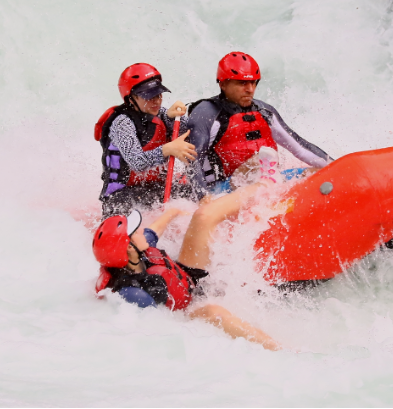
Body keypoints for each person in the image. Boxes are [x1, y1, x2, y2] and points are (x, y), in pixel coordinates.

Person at [92, 208, 280, 351]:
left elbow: (154, 230)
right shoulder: (133, 293)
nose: (142, 230)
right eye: (136, 231)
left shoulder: (135, 254)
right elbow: (157, 325)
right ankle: (277, 349)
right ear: (129, 247)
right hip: (183, 315)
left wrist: (173, 212)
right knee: (216, 312)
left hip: (187, 286)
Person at [186, 51, 332, 198]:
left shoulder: (264, 111)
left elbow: (300, 148)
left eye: (253, 82)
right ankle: (267, 183)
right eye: (242, 83)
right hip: (220, 189)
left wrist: (336, 165)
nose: (250, 89)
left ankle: (271, 184)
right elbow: (192, 160)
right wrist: (202, 198)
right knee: (257, 162)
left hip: (265, 180)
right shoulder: (205, 113)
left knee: (319, 173)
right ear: (223, 84)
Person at [94, 63, 197, 218]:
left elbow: (189, 134)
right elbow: (137, 162)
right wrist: (167, 149)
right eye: (149, 96)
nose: (156, 101)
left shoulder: (159, 112)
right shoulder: (122, 123)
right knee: (127, 208)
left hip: (153, 187)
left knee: (194, 193)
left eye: (159, 95)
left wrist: (173, 118)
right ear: (131, 98)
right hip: (121, 195)